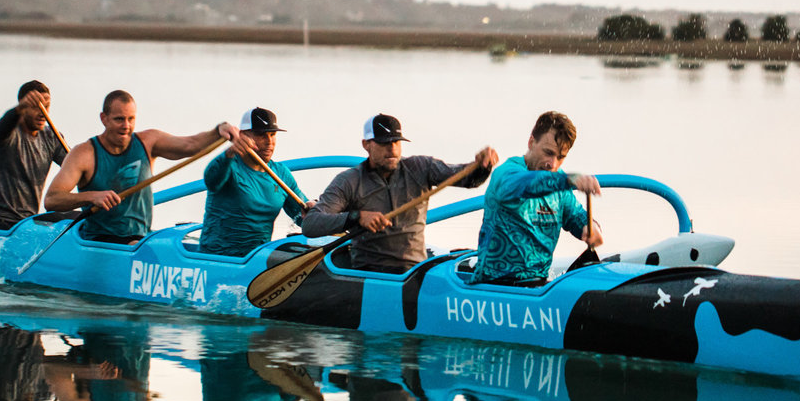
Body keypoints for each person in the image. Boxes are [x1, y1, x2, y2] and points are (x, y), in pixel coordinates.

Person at [302, 114, 498, 274]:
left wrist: (481, 166)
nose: (392, 148)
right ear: (366, 144)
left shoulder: (420, 167)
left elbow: (468, 180)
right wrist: (357, 217)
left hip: (415, 270)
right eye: (384, 143)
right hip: (369, 272)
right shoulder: (349, 181)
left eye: (396, 142)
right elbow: (311, 224)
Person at [43, 89, 241, 243]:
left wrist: (217, 131)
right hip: (100, 241)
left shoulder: (148, 142)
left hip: (140, 239)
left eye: (131, 119)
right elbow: (52, 200)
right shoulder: (84, 154)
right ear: (103, 118)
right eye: (119, 119)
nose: (126, 126)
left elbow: (190, 145)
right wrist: (92, 196)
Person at [470, 111, 602, 286]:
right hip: (495, 285)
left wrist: (591, 227)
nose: (552, 164)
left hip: (537, 285)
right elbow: (528, 185)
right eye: (548, 153)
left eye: (560, 157)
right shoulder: (506, 175)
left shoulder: (559, 184)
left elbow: (577, 216)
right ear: (531, 142)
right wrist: (569, 180)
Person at [197, 106, 315, 257]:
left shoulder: (281, 174)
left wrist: (314, 212)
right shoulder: (229, 165)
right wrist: (230, 152)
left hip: (255, 263)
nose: (269, 142)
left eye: (272, 135)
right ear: (243, 135)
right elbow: (211, 180)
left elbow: (303, 218)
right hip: (217, 258)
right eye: (261, 135)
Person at [0, 80, 67, 230]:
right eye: (36, 107)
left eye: (46, 107)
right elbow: (3, 126)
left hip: (27, 222)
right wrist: (19, 108)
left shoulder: (52, 137)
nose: (43, 113)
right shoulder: (7, 133)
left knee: (70, 219)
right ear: (23, 107)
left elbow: (75, 165)